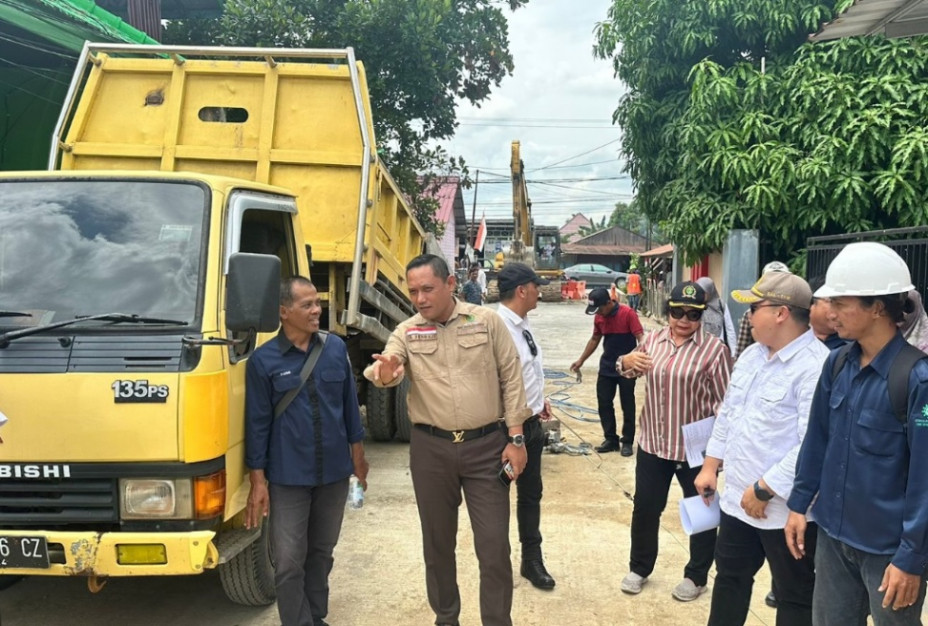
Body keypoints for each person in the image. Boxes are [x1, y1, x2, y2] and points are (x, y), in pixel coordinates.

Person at [364, 253, 530, 626]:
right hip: (431, 450)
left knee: (494, 548)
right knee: (437, 546)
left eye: (428, 289)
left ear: (450, 284)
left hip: (486, 447)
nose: (420, 299)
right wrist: (385, 371)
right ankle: (446, 617)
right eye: (413, 292)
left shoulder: (485, 321)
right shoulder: (407, 330)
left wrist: (516, 440)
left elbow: (511, 377)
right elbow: (385, 366)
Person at [786, 242, 928, 625]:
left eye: (840, 303)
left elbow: (924, 480)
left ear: (877, 307)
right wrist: (799, 504)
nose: (829, 314)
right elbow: (817, 440)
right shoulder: (836, 364)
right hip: (833, 538)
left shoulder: (917, 379)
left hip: (888, 552)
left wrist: (911, 559)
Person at [694, 273, 828, 626]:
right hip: (739, 501)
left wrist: (765, 489)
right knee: (729, 579)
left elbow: (812, 443)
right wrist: (711, 465)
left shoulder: (816, 367)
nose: (748, 316)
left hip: (786, 512)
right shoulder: (753, 355)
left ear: (781, 313)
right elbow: (729, 413)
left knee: (794, 596)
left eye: (755, 307)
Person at [245, 276, 369, 626]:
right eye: (307, 305)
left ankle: (316, 617)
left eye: (317, 303)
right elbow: (257, 424)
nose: (317, 310)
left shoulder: (334, 349)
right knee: (287, 561)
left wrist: (358, 459)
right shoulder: (263, 361)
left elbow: (349, 407)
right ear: (284, 312)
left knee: (321, 554)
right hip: (288, 478)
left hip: (333, 474)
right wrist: (258, 481)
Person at [617, 281, 732, 601]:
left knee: (701, 510)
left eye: (692, 314)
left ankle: (696, 576)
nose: (684, 320)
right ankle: (640, 567)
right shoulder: (651, 340)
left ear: (701, 316)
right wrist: (626, 362)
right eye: (677, 312)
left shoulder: (714, 351)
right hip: (654, 441)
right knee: (645, 508)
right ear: (668, 311)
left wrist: (719, 453)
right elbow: (626, 370)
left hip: (696, 446)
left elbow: (726, 404)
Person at [497, 262, 556, 590]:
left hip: (531, 425)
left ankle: (531, 560)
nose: (539, 291)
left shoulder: (523, 323)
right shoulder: (497, 327)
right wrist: (514, 434)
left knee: (531, 494)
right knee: (496, 497)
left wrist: (539, 400)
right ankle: (497, 565)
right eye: (536, 286)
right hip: (507, 432)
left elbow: (528, 370)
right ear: (522, 290)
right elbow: (499, 382)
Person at [570, 287, 644, 455]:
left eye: (601, 309)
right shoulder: (599, 317)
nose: (600, 313)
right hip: (607, 367)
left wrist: (638, 360)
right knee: (604, 403)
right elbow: (595, 339)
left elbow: (641, 338)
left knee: (627, 404)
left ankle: (627, 441)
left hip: (627, 368)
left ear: (609, 302)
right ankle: (611, 439)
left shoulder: (628, 313)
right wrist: (581, 360)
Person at [734, 261, 791, 360]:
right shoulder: (750, 314)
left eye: (780, 280)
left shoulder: (796, 313)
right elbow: (741, 352)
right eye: (771, 280)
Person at [696, 276, 736, 354]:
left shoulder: (720, 305)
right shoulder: (695, 305)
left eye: (704, 292)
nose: (702, 295)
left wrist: (733, 352)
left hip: (718, 349)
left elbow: (729, 328)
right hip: (699, 349)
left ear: (710, 291)